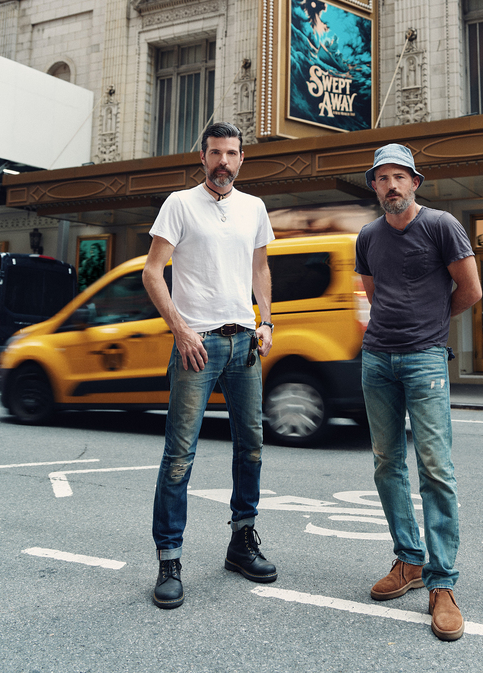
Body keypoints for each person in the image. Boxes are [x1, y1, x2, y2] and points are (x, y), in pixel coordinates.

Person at [143, 122, 277, 610]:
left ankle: (241, 543)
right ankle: (169, 560)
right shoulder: (179, 204)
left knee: (253, 447)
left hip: (245, 343)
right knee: (180, 456)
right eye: (216, 153)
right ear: (202, 157)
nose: (224, 161)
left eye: (233, 153)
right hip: (195, 345)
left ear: (242, 159)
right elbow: (152, 272)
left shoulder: (254, 208)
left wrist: (267, 322)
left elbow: (260, 268)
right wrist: (180, 330)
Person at [355, 144, 482, 642]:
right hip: (377, 358)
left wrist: (430, 326)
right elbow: (373, 291)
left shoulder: (442, 225)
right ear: (375, 187)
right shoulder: (367, 236)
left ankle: (442, 583)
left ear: (415, 182)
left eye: (398, 177)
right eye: (382, 178)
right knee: (387, 462)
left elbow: (469, 290)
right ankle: (408, 561)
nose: (391, 185)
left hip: (426, 358)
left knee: (435, 467)